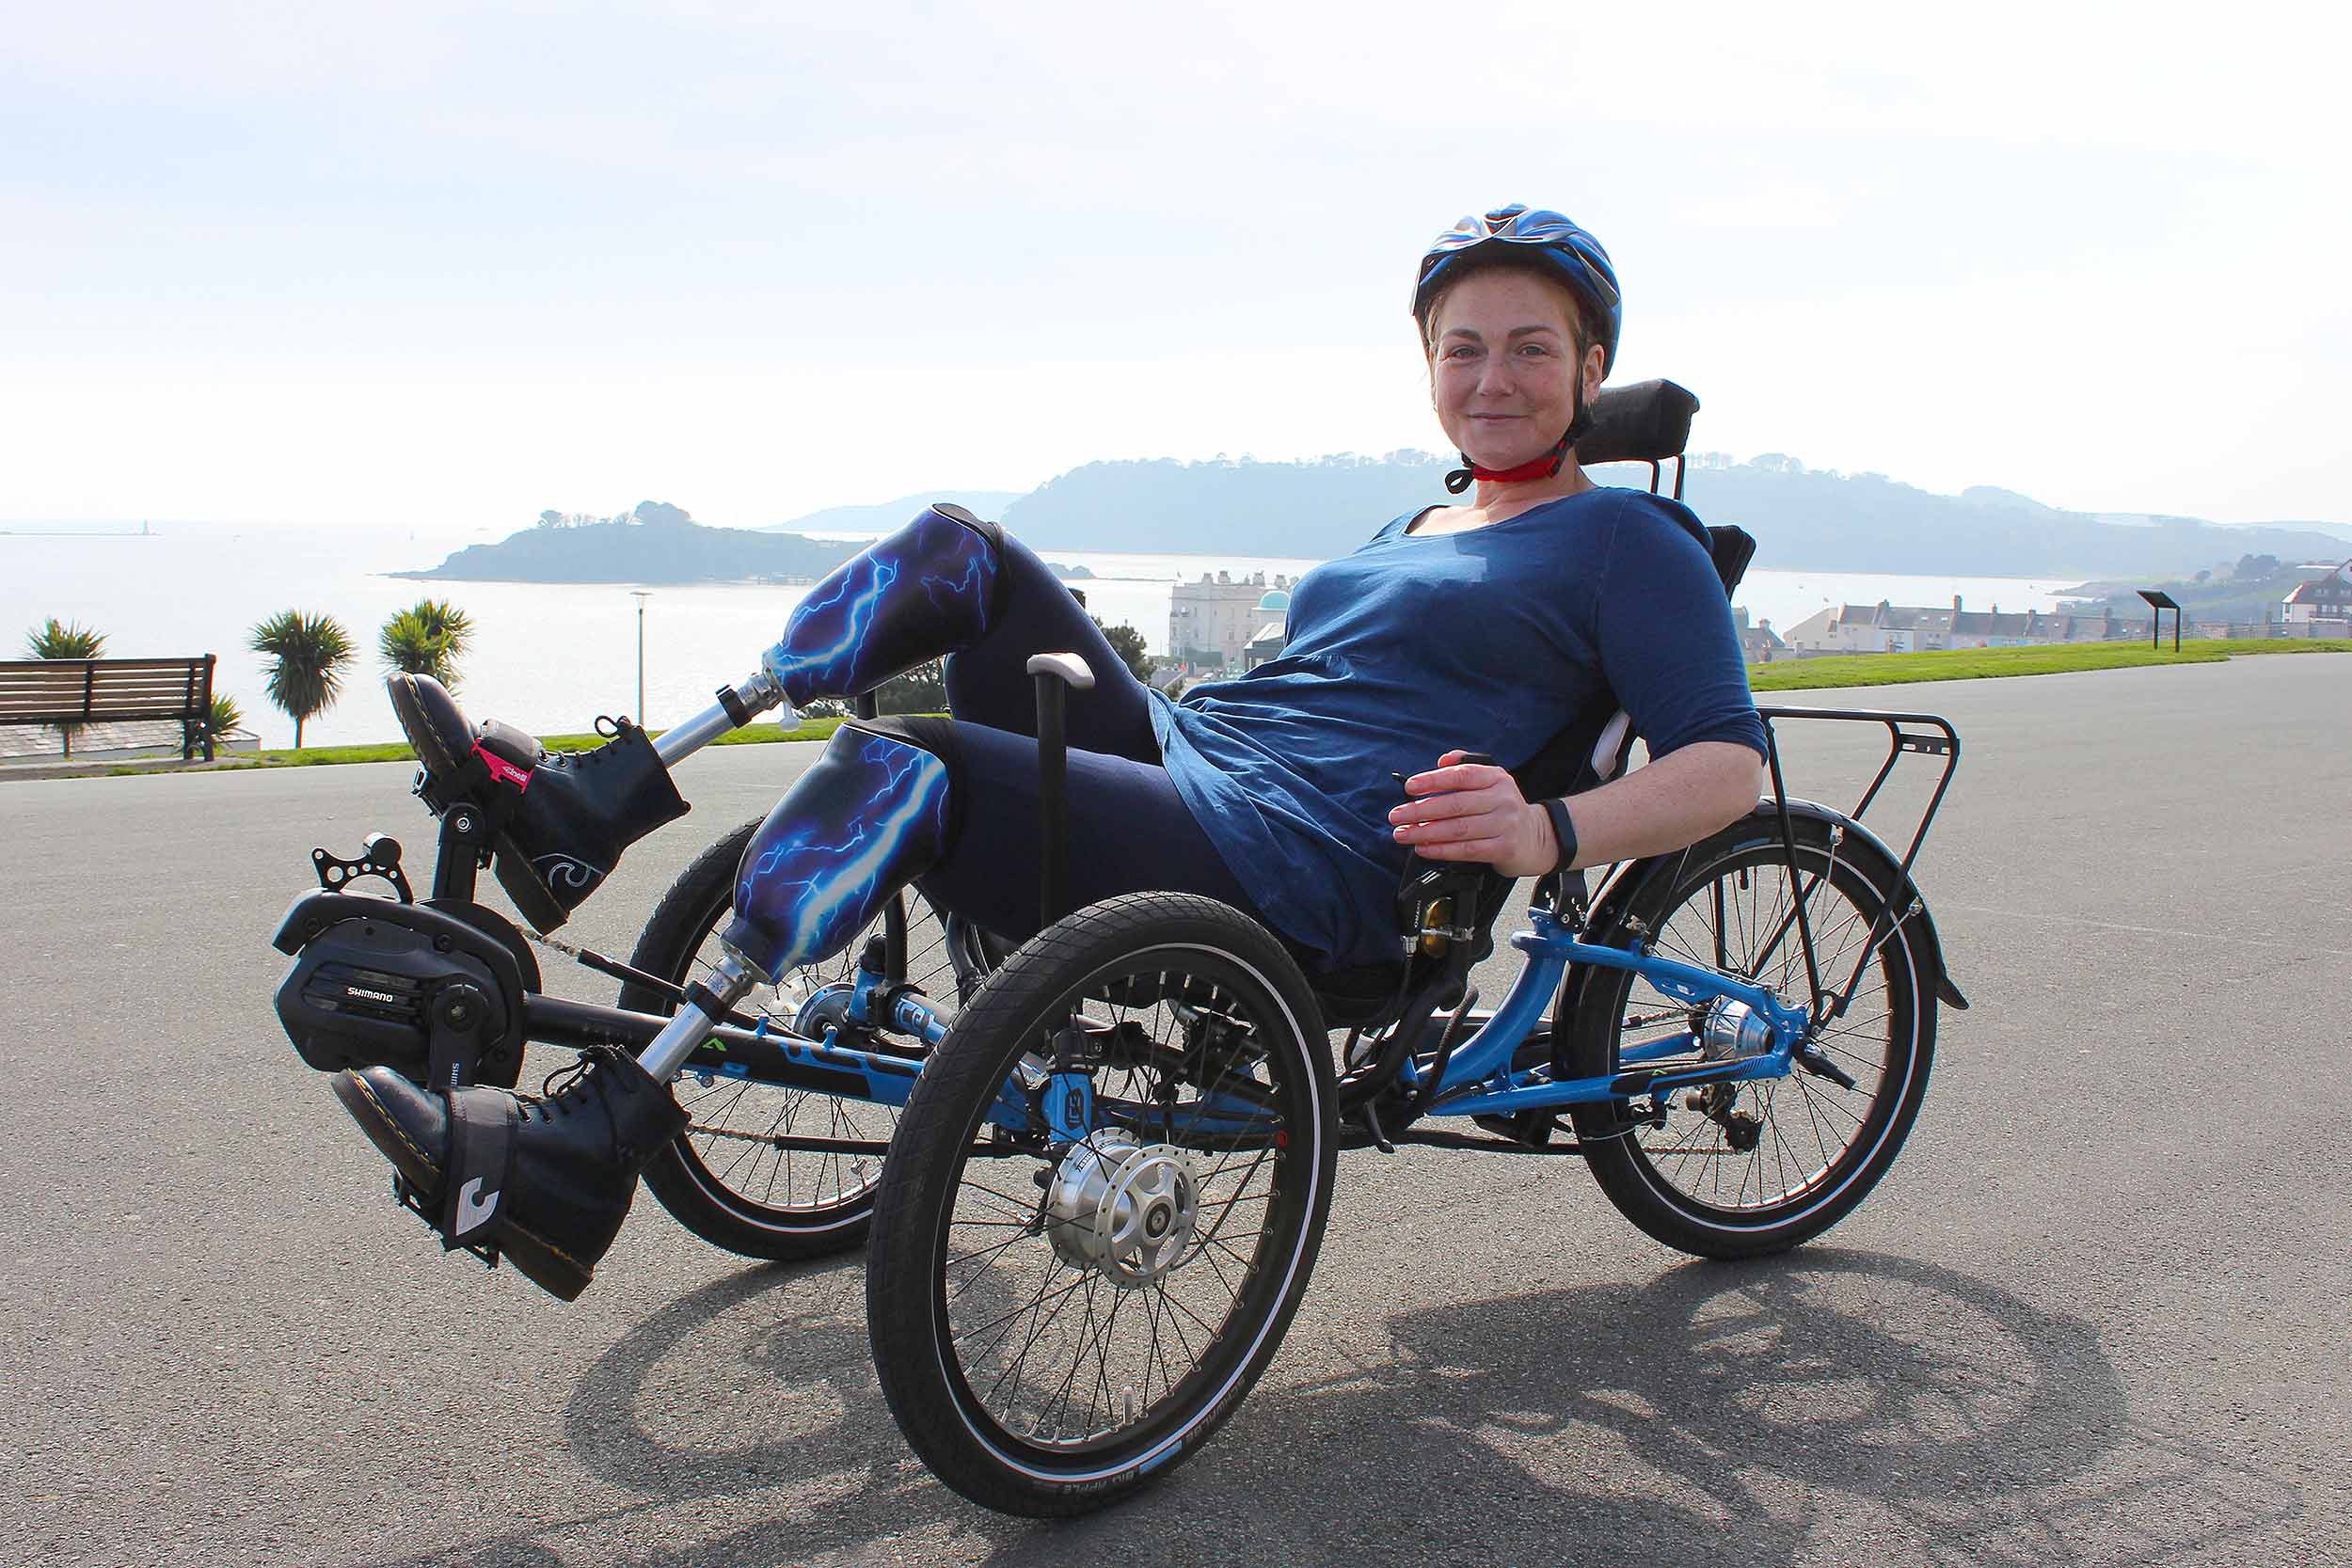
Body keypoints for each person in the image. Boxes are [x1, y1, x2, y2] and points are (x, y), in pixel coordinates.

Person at [336, 205, 1770, 1300]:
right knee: (955, 554)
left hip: (1318, 864)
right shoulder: (1413, 529)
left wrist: (1544, 833)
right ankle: (598, 798)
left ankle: (590, 1146)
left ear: (1594, 369)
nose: (1494, 377)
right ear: (1429, 369)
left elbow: (1727, 766)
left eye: (1533, 348)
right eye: (1464, 347)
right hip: (1201, 760)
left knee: (927, 760)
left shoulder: (1632, 542)